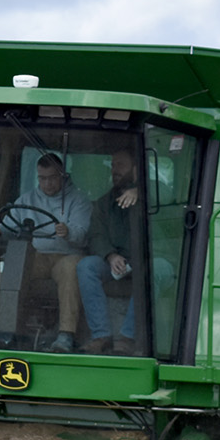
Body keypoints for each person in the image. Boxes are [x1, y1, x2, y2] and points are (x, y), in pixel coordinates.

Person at [3, 153, 91, 353]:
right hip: (38, 255)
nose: (47, 183)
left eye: (52, 178)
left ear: (62, 175)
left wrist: (68, 232)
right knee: (13, 262)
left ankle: (66, 335)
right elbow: (7, 225)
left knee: (71, 268)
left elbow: (83, 235)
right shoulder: (26, 200)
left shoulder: (78, 200)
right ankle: (3, 327)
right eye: (42, 178)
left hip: (67, 255)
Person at [76, 149, 143, 354]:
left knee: (153, 270)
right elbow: (96, 235)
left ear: (136, 168)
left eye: (121, 165)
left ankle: (127, 338)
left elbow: (170, 198)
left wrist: (141, 190)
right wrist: (111, 256)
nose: (115, 170)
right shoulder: (105, 202)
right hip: (117, 261)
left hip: (152, 261)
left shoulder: (158, 193)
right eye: (113, 165)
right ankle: (101, 335)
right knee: (86, 266)